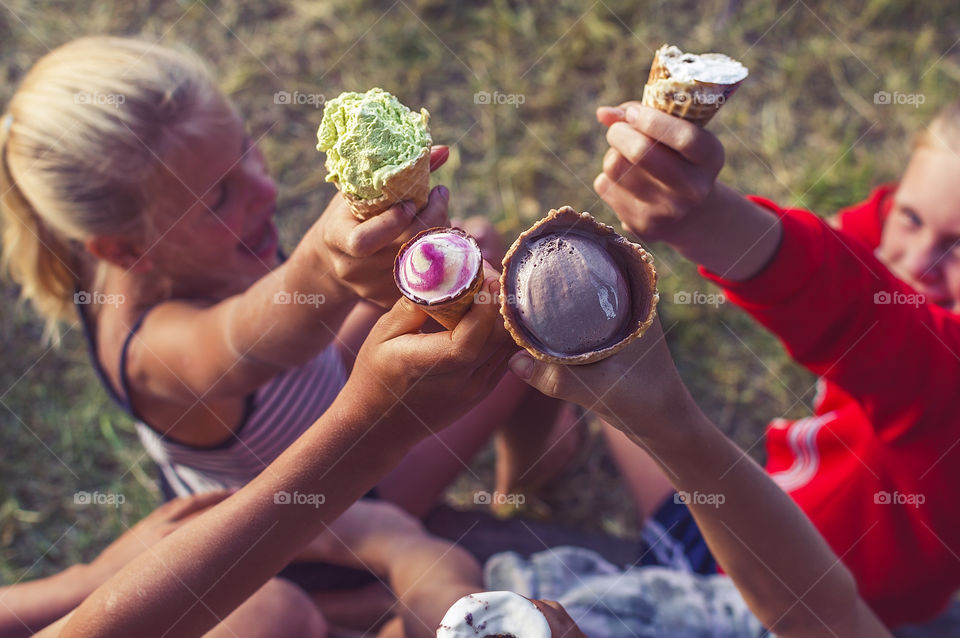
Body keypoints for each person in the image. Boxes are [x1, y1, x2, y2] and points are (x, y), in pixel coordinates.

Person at [0, 36, 574, 523]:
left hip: (315, 395)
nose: (267, 191)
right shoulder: (157, 354)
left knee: (478, 249)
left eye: (246, 149)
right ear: (123, 249)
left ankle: (531, 462)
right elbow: (247, 337)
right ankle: (525, 478)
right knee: (514, 326)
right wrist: (324, 268)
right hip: (324, 510)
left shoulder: (133, 244)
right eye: (219, 196)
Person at [591, 97, 960, 627]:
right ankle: (534, 462)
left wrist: (707, 218)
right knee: (582, 347)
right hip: (767, 518)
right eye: (911, 217)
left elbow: (851, 306)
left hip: (765, 594)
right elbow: (855, 238)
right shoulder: (901, 241)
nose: (918, 263)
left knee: (596, 355)